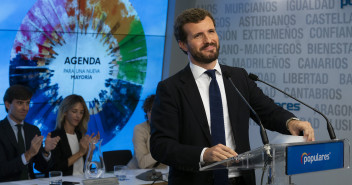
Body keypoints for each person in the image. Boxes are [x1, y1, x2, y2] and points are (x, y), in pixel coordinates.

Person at [150, 8, 315, 185]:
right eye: (198, 35)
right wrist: (204, 154)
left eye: (211, 31)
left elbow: (268, 111)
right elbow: (161, 145)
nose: (208, 40)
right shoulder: (171, 88)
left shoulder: (238, 77)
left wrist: (291, 122)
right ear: (183, 44)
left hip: (241, 180)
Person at [0, 85, 61, 182]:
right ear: (7, 105)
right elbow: (2, 170)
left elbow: (42, 168)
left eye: (27, 103)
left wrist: (46, 151)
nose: (25, 108)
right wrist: (28, 154)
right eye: (20, 103)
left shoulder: (33, 130)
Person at [50, 94, 99, 176]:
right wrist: (80, 152)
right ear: (65, 112)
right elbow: (56, 168)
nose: (78, 116)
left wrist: (90, 151)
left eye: (81, 112)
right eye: (74, 111)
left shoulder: (80, 135)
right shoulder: (54, 136)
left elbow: (87, 168)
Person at [127, 95, 166, 169]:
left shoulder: (170, 128)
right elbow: (142, 163)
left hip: (161, 175)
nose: (154, 115)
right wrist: (164, 150)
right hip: (135, 175)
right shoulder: (139, 129)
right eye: (151, 111)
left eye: (158, 111)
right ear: (146, 112)